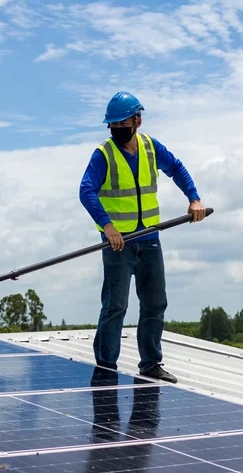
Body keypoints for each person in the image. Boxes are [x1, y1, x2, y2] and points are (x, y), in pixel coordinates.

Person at [78, 91, 206, 383]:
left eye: (122, 123)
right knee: (115, 305)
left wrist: (194, 199)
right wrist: (108, 227)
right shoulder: (104, 155)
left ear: (137, 120)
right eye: (113, 126)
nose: (118, 130)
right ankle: (106, 366)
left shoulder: (150, 147)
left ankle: (150, 363)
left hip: (149, 239)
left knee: (154, 303)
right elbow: (86, 191)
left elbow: (176, 167)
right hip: (118, 244)